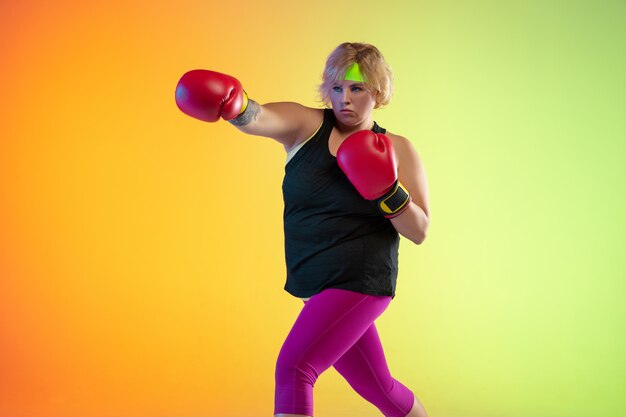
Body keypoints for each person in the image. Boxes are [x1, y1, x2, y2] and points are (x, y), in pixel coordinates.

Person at [175, 42, 430, 417]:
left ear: (377, 91)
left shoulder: (397, 148)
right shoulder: (305, 125)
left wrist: (387, 192)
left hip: (361, 278)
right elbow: (259, 118)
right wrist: (235, 106)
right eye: (338, 87)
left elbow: (420, 230)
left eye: (357, 88)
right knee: (379, 386)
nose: (345, 98)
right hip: (317, 282)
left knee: (295, 369)